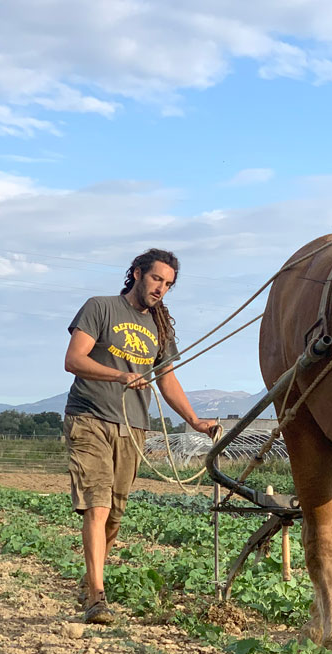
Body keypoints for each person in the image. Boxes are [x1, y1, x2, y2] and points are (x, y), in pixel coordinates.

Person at [63, 248, 217, 624]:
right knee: (97, 506)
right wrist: (119, 375)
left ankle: (90, 579)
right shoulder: (100, 307)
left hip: (133, 426)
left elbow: (167, 379)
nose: (161, 288)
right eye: (156, 279)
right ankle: (97, 597)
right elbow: (74, 360)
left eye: (168, 284)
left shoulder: (159, 328)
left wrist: (195, 421)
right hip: (90, 417)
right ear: (136, 273)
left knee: (114, 515)